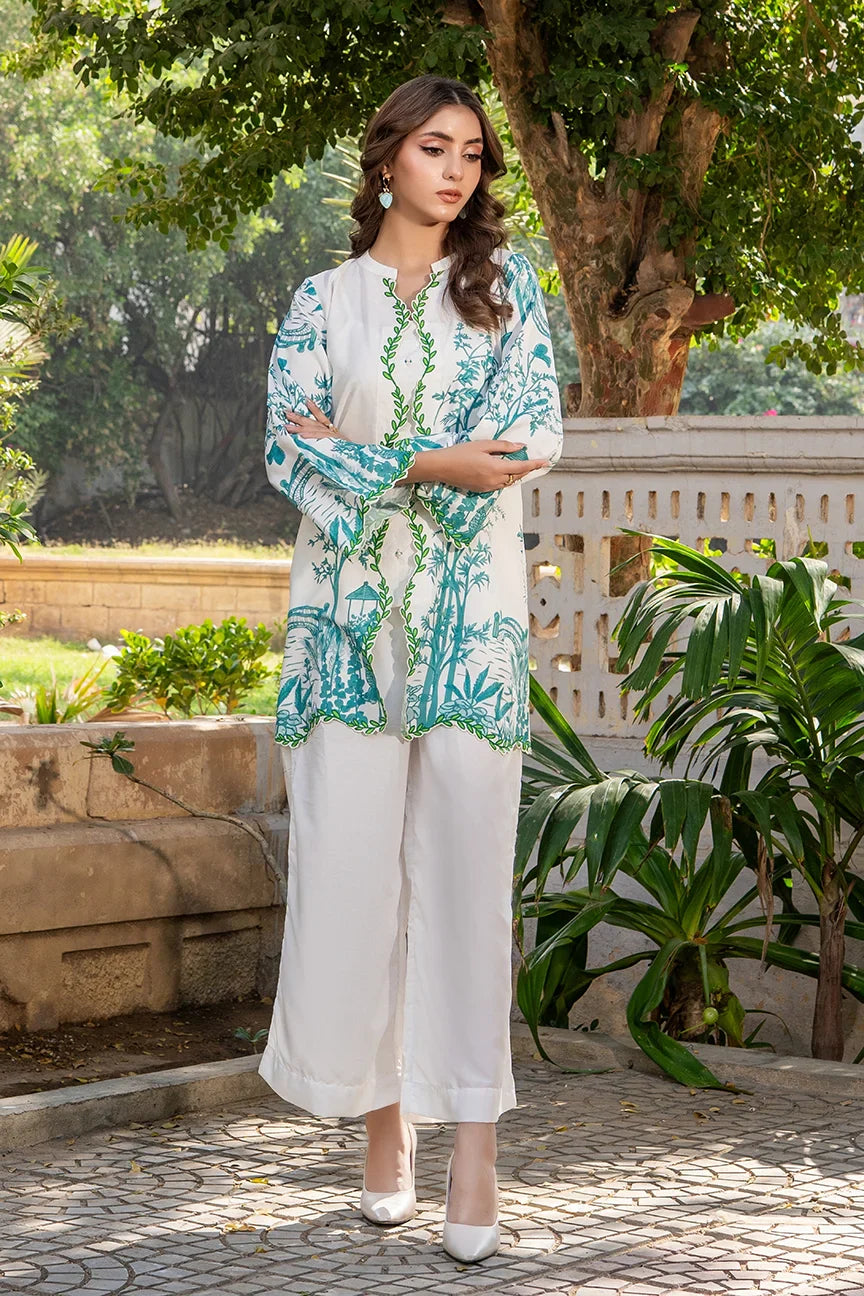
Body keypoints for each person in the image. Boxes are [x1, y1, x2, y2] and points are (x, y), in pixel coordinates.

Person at [258, 73, 563, 1263]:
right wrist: (433, 463)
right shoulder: (318, 302)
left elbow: (526, 440)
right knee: (354, 876)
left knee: (468, 881)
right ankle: (384, 1121)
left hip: (469, 634)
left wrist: (377, 456)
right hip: (343, 633)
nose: (455, 170)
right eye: (435, 147)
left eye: (473, 155)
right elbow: (291, 450)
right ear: (387, 157)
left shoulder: (505, 293)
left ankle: (473, 1146)